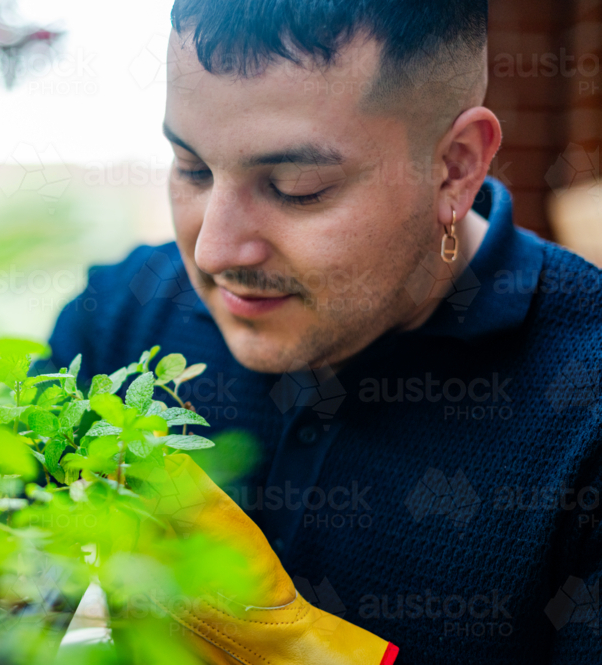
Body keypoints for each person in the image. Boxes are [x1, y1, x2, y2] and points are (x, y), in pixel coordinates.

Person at [39, 1, 602, 662]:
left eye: (296, 187)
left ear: (454, 166)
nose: (216, 253)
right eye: (192, 169)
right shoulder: (118, 320)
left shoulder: (584, 407)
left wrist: (296, 649)